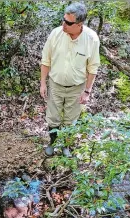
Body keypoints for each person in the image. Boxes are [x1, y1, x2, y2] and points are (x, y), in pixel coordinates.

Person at [40, 2, 100, 157]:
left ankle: (66, 146)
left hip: (77, 88)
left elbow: (93, 68)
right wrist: (42, 83)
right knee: (53, 118)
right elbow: (46, 60)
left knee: (70, 120)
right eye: (63, 19)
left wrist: (87, 91)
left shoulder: (91, 39)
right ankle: (52, 143)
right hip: (55, 84)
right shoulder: (55, 34)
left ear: (79, 24)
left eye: (68, 22)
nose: (63, 24)